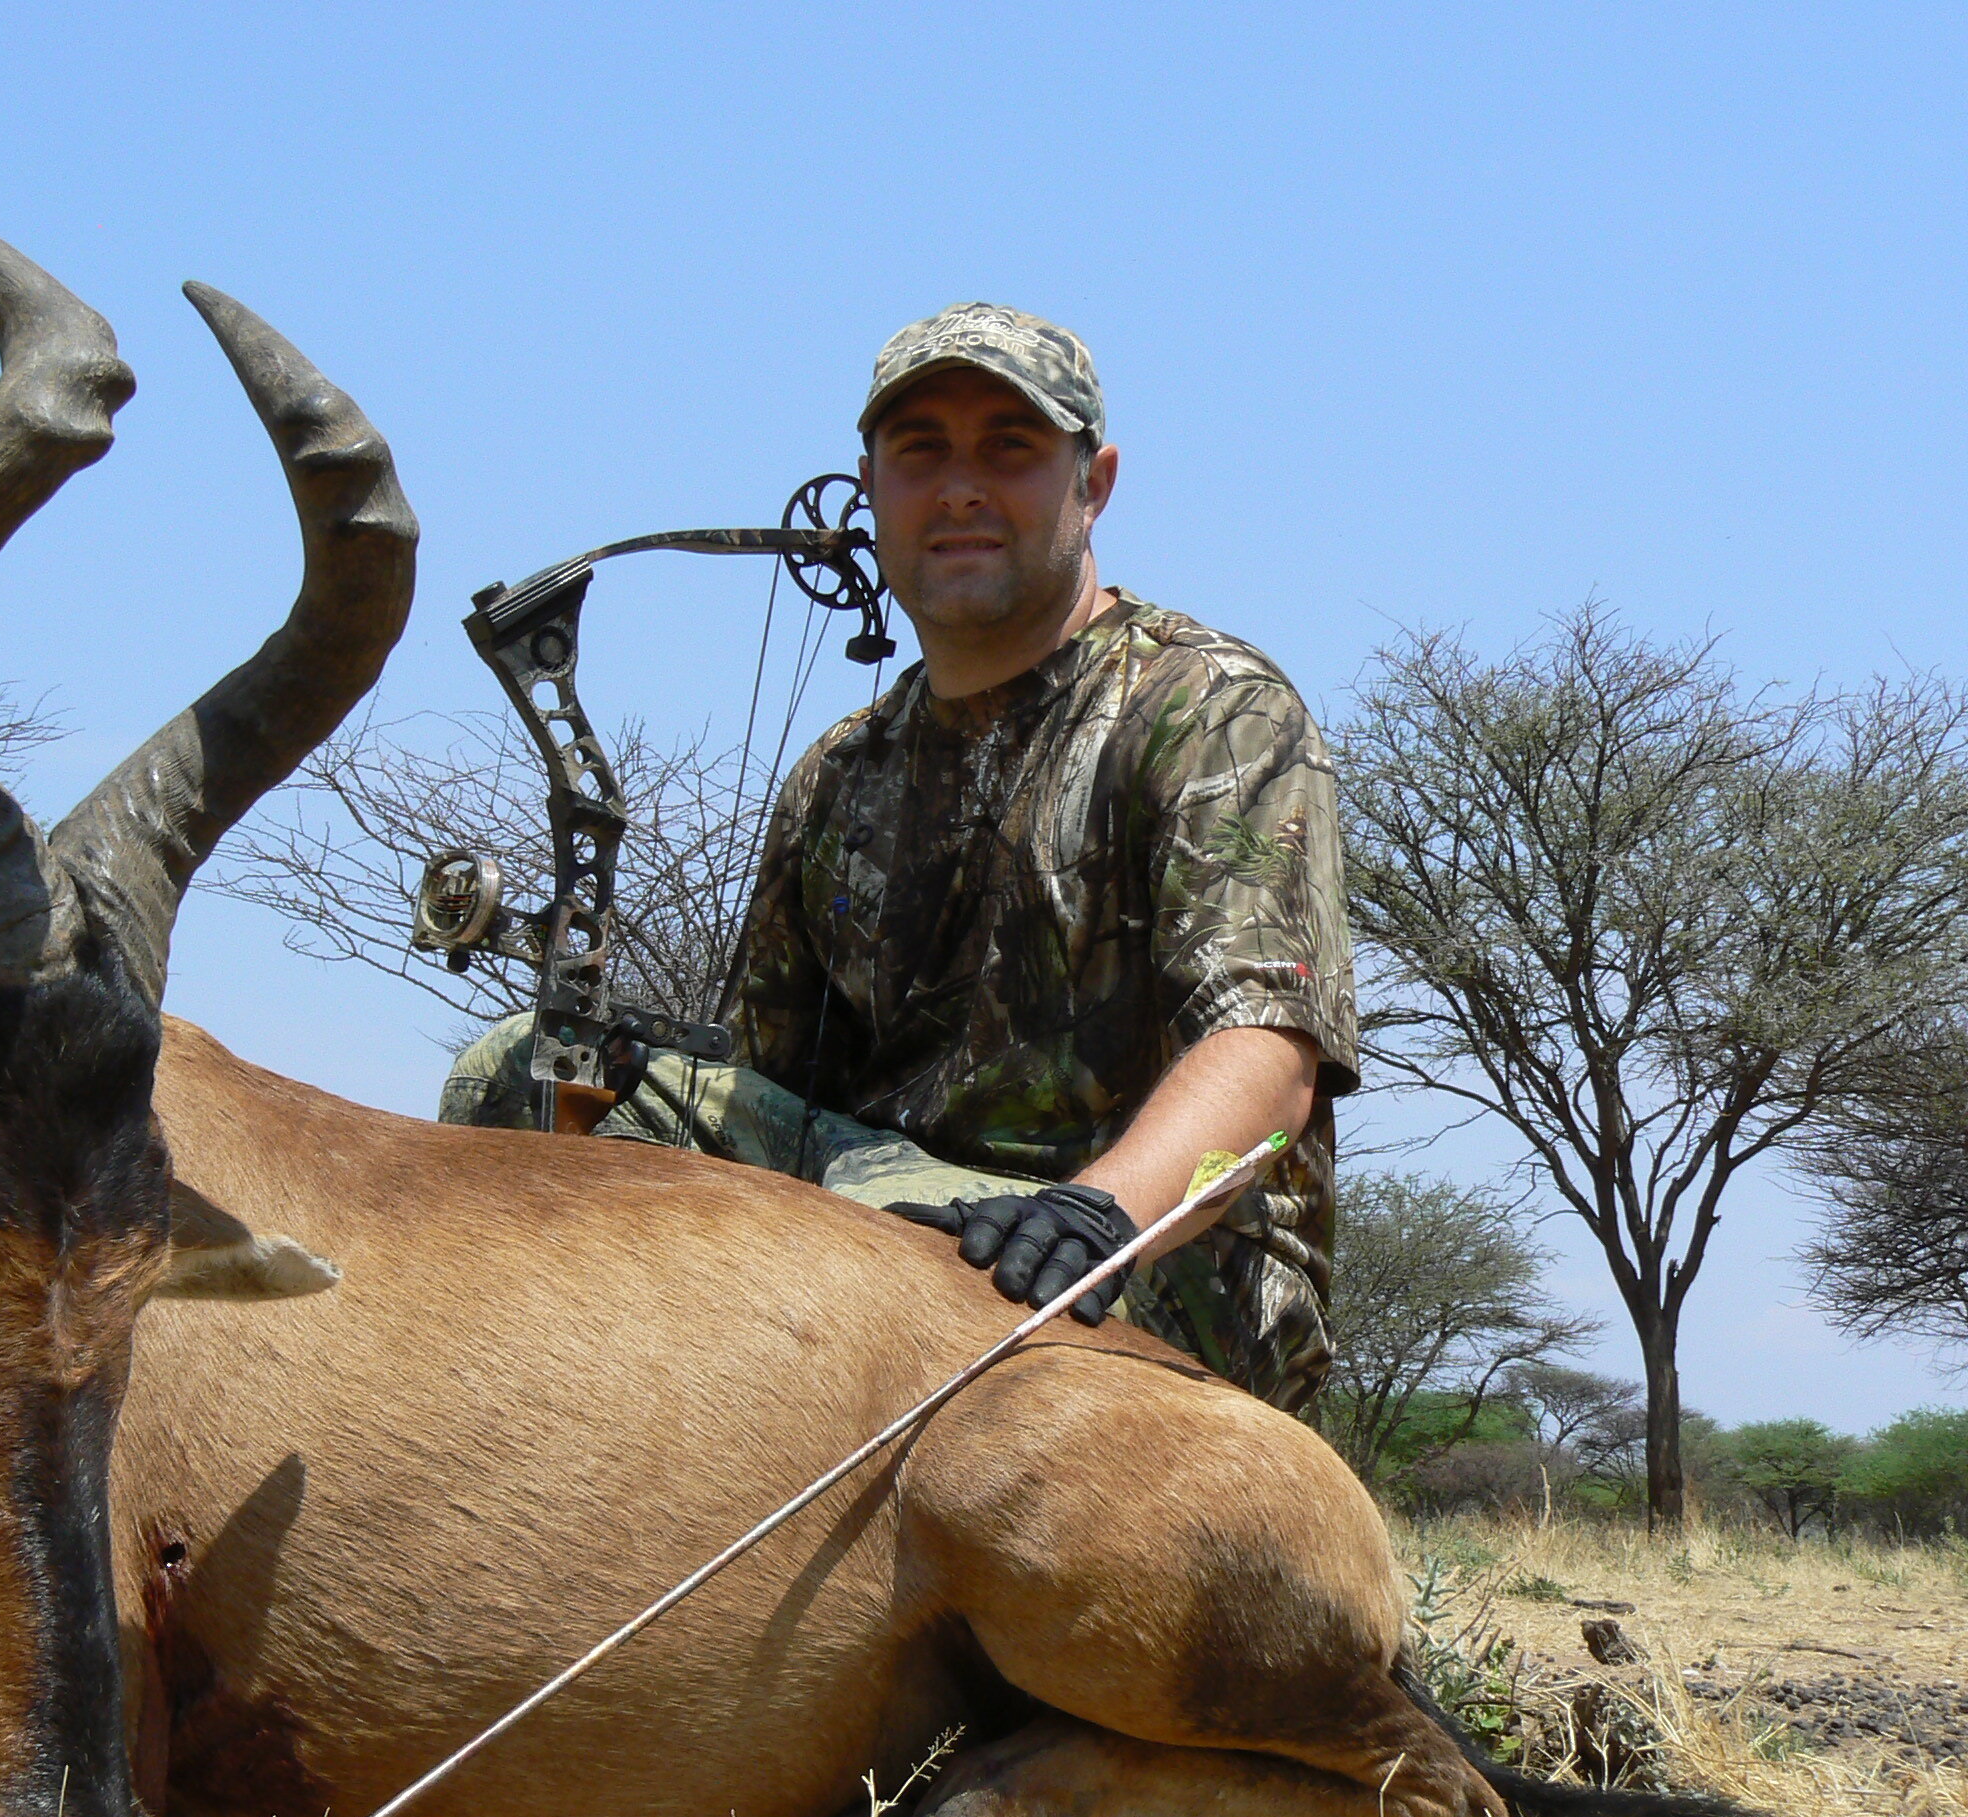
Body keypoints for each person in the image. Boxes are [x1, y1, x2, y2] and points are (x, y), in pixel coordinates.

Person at [441, 303, 1356, 1413]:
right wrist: (633, 1076)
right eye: (920, 450)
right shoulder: (838, 774)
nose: (960, 487)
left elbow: (1268, 1054)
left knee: (869, 1236)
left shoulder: (1210, 709)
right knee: (521, 1072)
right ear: (868, 489)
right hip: (883, 1214)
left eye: (1008, 447)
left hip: (1142, 1259)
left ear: (1092, 482)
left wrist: (1096, 1211)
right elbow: (773, 1086)